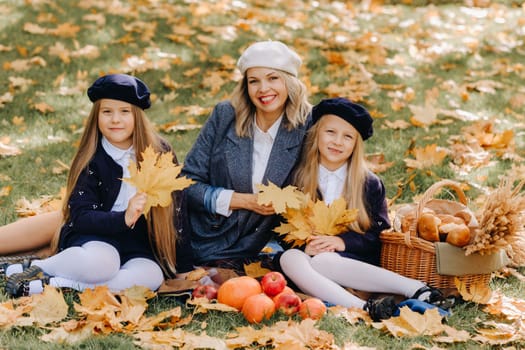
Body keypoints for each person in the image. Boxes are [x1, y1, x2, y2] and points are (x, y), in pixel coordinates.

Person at [3, 74, 193, 297]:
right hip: (94, 236)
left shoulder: (159, 152)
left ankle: (56, 284)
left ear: (137, 116)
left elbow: (177, 213)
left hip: (138, 245)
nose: (115, 119)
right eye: (107, 112)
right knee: (102, 264)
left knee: (150, 277)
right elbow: (80, 215)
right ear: (96, 117)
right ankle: (38, 269)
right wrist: (122, 218)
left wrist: (184, 269)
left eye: (124, 111)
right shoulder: (92, 158)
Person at [278, 97, 452, 321]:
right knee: (288, 258)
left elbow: (378, 235)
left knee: (325, 261)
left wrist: (343, 242)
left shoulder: (368, 183)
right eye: (330, 132)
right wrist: (304, 245)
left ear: (356, 144)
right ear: (316, 134)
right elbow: (281, 229)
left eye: (347, 136)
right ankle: (366, 308)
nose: (338, 142)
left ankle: (416, 288)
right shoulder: (297, 178)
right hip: (306, 263)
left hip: (350, 263)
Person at [181, 40, 311, 274]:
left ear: (289, 82)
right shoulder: (225, 116)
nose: (263, 89)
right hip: (207, 236)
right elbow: (187, 184)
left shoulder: (307, 125)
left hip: (263, 244)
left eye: (273, 78)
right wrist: (242, 200)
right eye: (254, 81)